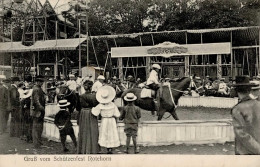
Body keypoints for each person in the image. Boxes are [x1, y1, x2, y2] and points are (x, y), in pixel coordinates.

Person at [231, 75, 260, 155]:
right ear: (249, 90)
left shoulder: (237, 109)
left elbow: (242, 135)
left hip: (245, 152)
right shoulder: (258, 104)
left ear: (237, 91)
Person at [91, 86, 120, 154]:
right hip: (111, 120)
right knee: (111, 133)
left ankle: (105, 147)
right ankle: (110, 148)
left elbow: (95, 112)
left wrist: (92, 108)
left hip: (104, 120)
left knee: (104, 133)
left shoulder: (100, 105)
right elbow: (117, 114)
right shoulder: (113, 105)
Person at [77, 80, 100, 154]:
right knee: (92, 131)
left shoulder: (81, 96)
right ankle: (92, 149)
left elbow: (78, 108)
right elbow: (96, 105)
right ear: (91, 87)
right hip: (91, 113)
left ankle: (83, 149)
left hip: (83, 113)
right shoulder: (94, 96)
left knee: (83, 131)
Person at [31, 75, 46, 148]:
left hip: (37, 111)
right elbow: (36, 100)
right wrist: (42, 108)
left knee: (38, 128)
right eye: (40, 82)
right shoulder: (37, 89)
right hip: (38, 112)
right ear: (37, 82)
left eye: (42, 82)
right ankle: (37, 144)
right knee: (37, 128)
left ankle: (38, 142)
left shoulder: (37, 88)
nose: (41, 83)